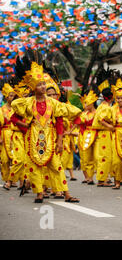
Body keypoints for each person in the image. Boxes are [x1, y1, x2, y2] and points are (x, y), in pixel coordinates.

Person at [12, 50, 79, 203]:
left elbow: (62, 119)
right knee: (33, 167)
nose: (43, 86)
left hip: (50, 138)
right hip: (32, 139)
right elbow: (15, 112)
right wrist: (27, 125)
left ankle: (66, 194)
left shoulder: (53, 103)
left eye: (43, 83)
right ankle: (39, 193)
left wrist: (60, 140)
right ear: (33, 87)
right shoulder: (27, 103)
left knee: (56, 166)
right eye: (40, 84)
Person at [92, 68, 115, 187]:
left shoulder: (101, 106)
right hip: (105, 133)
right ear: (110, 96)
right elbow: (102, 119)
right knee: (105, 157)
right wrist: (110, 126)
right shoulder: (106, 107)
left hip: (103, 134)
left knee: (104, 156)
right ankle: (102, 180)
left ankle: (104, 178)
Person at [0, 80, 23, 191]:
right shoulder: (2, 109)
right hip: (5, 135)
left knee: (17, 158)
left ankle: (15, 180)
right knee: (4, 160)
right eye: (10, 95)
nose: (12, 97)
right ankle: (7, 179)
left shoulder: (16, 108)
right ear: (6, 97)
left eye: (14, 95)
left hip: (16, 134)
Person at [73, 89, 98, 185]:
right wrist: (70, 131)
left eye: (87, 103)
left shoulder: (97, 113)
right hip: (84, 137)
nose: (85, 105)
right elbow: (77, 123)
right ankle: (87, 177)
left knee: (94, 157)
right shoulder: (83, 114)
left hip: (95, 136)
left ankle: (92, 177)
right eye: (85, 103)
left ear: (92, 103)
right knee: (85, 158)